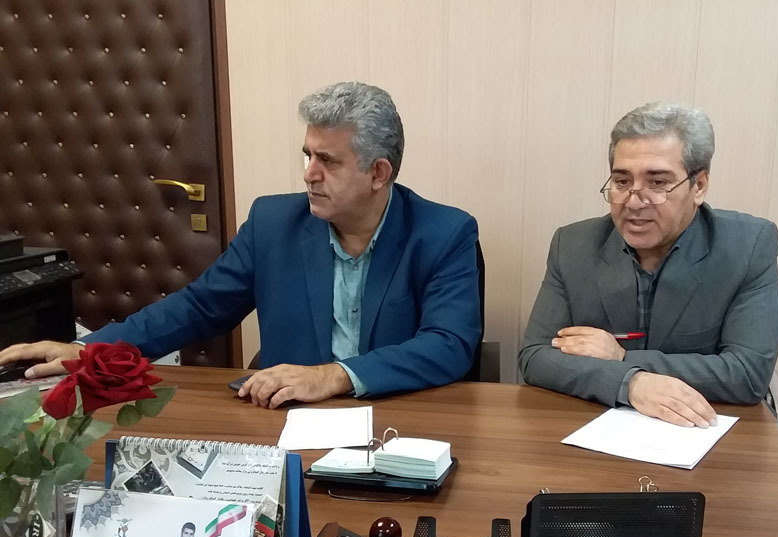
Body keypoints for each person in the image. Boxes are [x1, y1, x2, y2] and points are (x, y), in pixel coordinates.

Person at [0, 82, 482, 407]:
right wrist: (90, 350)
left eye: (328, 161)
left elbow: (449, 345)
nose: (308, 174)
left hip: (397, 420)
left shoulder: (444, 233)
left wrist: (332, 375)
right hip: (287, 420)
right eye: (307, 155)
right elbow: (198, 307)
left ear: (378, 173)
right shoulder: (274, 223)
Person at [518, 102, 778, 427]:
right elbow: (535, 357)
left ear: (698, 186)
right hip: (596, 429)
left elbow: (748, 373)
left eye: (657, 183)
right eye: (622, 181)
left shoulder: (747, 246)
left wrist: (623, 358)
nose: (633, 201)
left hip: (702, 430)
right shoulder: (573, 245)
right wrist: (630, 383)